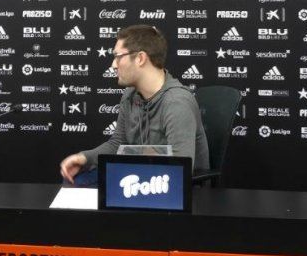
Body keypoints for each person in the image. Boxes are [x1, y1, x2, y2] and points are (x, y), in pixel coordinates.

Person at [60, 24, 209, 183]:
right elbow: (118, 144)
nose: (113, 65)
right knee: (75, 180)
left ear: (140, 58)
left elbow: (180, 169)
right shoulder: (130, 94)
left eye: (118, 56)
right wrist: (84, 158)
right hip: (141, 173)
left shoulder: (176, 103)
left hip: (172, 185)